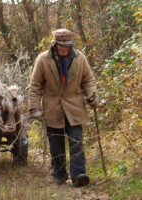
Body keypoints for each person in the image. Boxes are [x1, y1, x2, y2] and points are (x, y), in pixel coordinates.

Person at [28, 28, 99, 187]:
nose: (64, 48)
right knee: (56, 144)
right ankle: (59, 174)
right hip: (52, 107)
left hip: (74, 106)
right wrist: (34, 108)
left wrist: (92, 95)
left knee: (76, 141)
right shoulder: (43, 60)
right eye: (61, 45)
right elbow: (35, 86)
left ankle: (78, 174)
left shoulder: (80, 58)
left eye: (68, 45)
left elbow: (88, 80)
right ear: (54, 44)